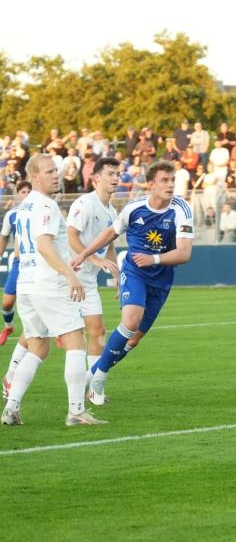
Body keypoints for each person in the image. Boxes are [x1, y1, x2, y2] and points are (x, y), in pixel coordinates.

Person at [70, 161, 195, 406]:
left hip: (161, 277)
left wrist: (154, 258)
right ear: (151, 184)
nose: (170, 185)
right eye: (164, 181)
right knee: (130, 320)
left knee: (134, 338)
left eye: (172, 181)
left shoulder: (182, 209)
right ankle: (100, 378)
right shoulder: (134, 208)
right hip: (135, 270)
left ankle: (91, 373)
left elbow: (184, 253)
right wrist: (85, 254)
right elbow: (110, 233)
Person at [1, 155, 104, 426]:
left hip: (26, 283)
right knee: (75, 341)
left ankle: (11, 408)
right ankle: (76, 410)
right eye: (48, 172)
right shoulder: (46, 205)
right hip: (48, 283)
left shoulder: (24, 207)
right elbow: (45, 245)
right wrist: (70, 274)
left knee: (38, 346)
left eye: (55, 171)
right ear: (34, 176)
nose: (55, 175)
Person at [66, 158, 121, 406]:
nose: (116, 178)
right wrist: (95, 260)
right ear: (96, 178)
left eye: (117, 173)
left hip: (88, 282)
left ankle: (93, 389)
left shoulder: (112, 212)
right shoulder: (84, 203)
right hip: (67, 279)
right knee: (40, 336)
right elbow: (71, 237)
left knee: (98, 332)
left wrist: (118, 277)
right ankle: (13, 378)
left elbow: (110, 247)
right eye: (110, 173)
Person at [0, 181, 31, 345]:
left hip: (37, 263)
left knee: (42, 301)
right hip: (19, 263)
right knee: (6, 303)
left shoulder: (40, 212)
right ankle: (8, 327)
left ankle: (61, 334)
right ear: (18, 194)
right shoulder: (11, 215)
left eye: (29, 192)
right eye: (23, 192)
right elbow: (4, 238)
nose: (26, 195)